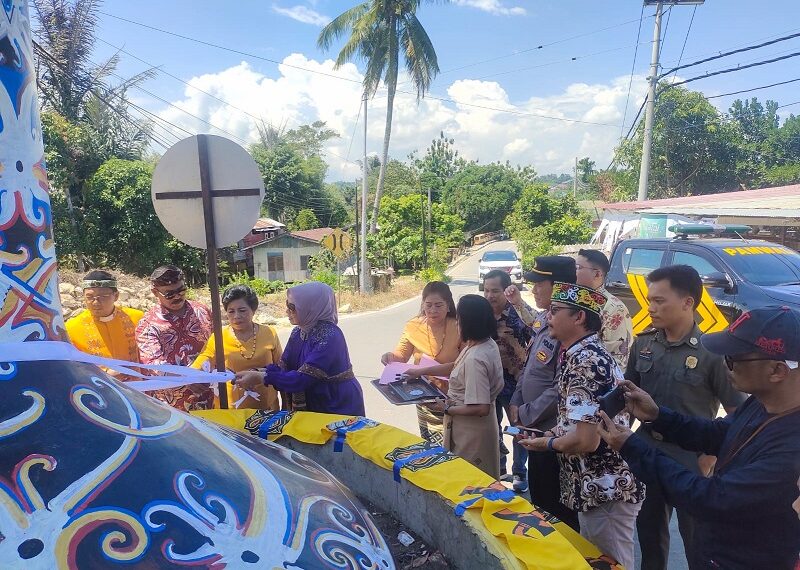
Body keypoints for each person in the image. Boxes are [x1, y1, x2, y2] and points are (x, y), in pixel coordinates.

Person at [599, 305, 800, 570]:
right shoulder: (763, 403)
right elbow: (720, 434)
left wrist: (632, 447)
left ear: (777, 371)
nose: (726, 363)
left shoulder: (792, 448)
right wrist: (659, 415)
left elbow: (712, 499)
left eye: (733, 358)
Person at [625, 265, 746, 570]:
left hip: (693, 460)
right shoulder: (644, 344)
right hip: (648, 452)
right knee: (650, 539)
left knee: (697, 545)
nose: (650, 308)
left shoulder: (712, 353)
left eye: (659, 301)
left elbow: (737, 414)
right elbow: (627, 396)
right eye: (649, 300)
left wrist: (710, 458)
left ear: (687, 302)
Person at [520, 282, 645, 570]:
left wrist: (546, 444)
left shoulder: (586, 361)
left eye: (555, 311)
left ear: (578, 318)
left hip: (606, 489)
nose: (548, 317)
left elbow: (586, 441)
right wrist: (551, 433)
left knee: (613, 564)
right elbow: (581, 420)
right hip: (594, 488)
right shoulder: (578, 355)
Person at [507, 255, 581, 530]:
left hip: (554, 434)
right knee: (539, 502)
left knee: (557, 512)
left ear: (559, 286)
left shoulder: (570, 326)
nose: (534, 289)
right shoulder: (544, 319)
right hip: (533, 428)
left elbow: (560, 384)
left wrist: (526, 413)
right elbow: (529, 367)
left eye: (540, 284)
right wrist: (516, 402)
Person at [404, 295, 504, 478]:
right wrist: (422, 371)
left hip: (471, 433)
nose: (456, 324)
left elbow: (481, 407)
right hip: (474, 427)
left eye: (459, 320)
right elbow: (456, 365)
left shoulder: (476, 358)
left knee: (470, 481)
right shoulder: (482, 344)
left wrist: (447, 408)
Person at [234, 282, 365, 416]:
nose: (287, 311)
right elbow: (285, 367)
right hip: (314, 402)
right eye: (287, 305)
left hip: (335, 403)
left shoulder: (329, 335)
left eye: (292, 307)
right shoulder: (298, 332)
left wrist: (262, 377)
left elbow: (302, 378)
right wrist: (256, 372)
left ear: (311, 307)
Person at [381, 281, 462, 445]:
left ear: (448, 306)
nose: (433, 310)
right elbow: (401, 354)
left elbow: (462, 365)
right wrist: (390, 356)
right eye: (429, 305)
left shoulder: (459, 327)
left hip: (454, 396)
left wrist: (423, 370)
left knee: (454, 447)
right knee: (431, 445)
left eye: (439, 305)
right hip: (425, 396)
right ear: (422, 304)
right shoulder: (413, 326)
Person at [136, 265, 214, 411]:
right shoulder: (148, 324)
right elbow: (153, 365)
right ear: (155, 292)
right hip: (173, 407)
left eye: (181, 290)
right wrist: (187, 378)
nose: (178, 296)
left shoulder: (202, 311)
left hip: (211, 397)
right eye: (170, 294)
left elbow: (217, 344)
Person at [191, 285, 282, 410]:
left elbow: (282, 367)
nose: (236, 316)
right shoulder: (218, 337)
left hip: (267, 407)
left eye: (242, 310)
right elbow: (202, 361)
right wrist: (192, 375)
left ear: (253, 310)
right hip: (231, 410)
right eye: (231, 311)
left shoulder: (269, 332)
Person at [482, 269, 532, 492]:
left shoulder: (516, 313)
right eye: (486, 290)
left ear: (506, 290)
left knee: (518, 428)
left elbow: (535, 330)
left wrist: (519, 302)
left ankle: (520, 471)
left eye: (495, 290)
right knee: (492, 427)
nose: (490, 295)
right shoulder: (481, 314)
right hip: (489, 381)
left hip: (516, 382)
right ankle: (500, 467)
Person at [65, 270, 143, 368]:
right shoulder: (72, 328)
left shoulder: (138, 319)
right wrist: (106, 374)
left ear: (116, 296)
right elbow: (73, 367)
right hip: (97, 382)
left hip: (138, 381)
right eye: (90, 297)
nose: (95, 302)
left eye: (103, 296)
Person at [575, 249, 633, 368]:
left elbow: (618, 360)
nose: (573, 272)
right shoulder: (572, 300)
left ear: (597, 274)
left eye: (578, 268)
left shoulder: (614, 308)